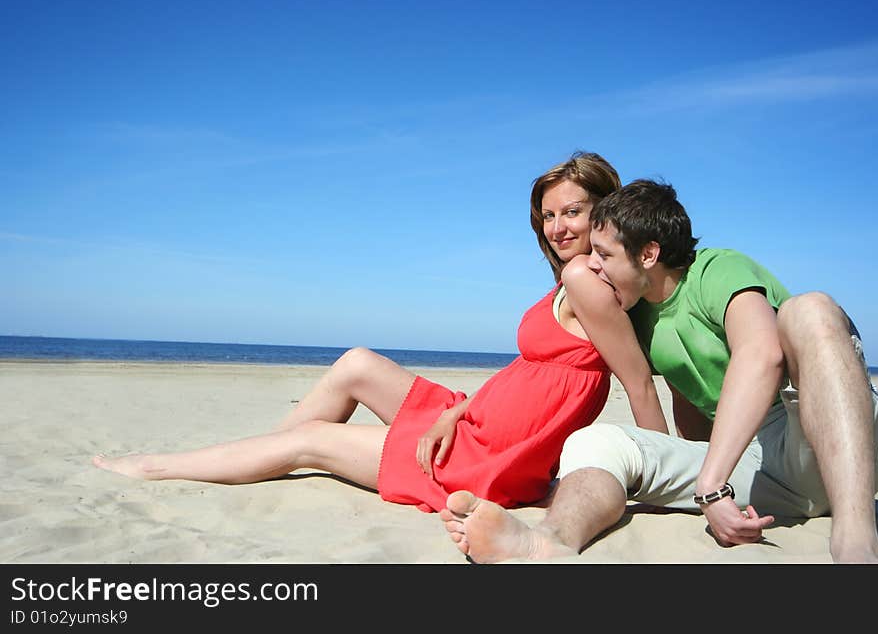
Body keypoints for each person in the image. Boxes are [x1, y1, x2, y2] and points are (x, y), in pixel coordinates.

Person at [92, 153, 668, 514]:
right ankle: (254, 455)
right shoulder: (574, 282)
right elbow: (534, 378)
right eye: (548, 216)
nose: (558, 226)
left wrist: (670, 474)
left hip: (484, 461)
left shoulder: (584, 279)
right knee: (356, 363)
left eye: (573, 211)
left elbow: (639, 384)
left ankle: (163, 466)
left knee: (311, 439)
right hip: (474, 426)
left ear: (604, 210)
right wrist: (457, 410)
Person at [441, 178, 878, 563]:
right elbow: (686, 403)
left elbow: (761, 353)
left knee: (811, 310)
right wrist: (682, 473)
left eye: (604, 254)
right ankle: (549, 541)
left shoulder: (716, 270)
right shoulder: (641, 317)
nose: (592, 265)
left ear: (648, 253)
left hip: (831, 436)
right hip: (764, 470)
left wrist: (710, 482)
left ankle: (856, 535)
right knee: (597, 440)